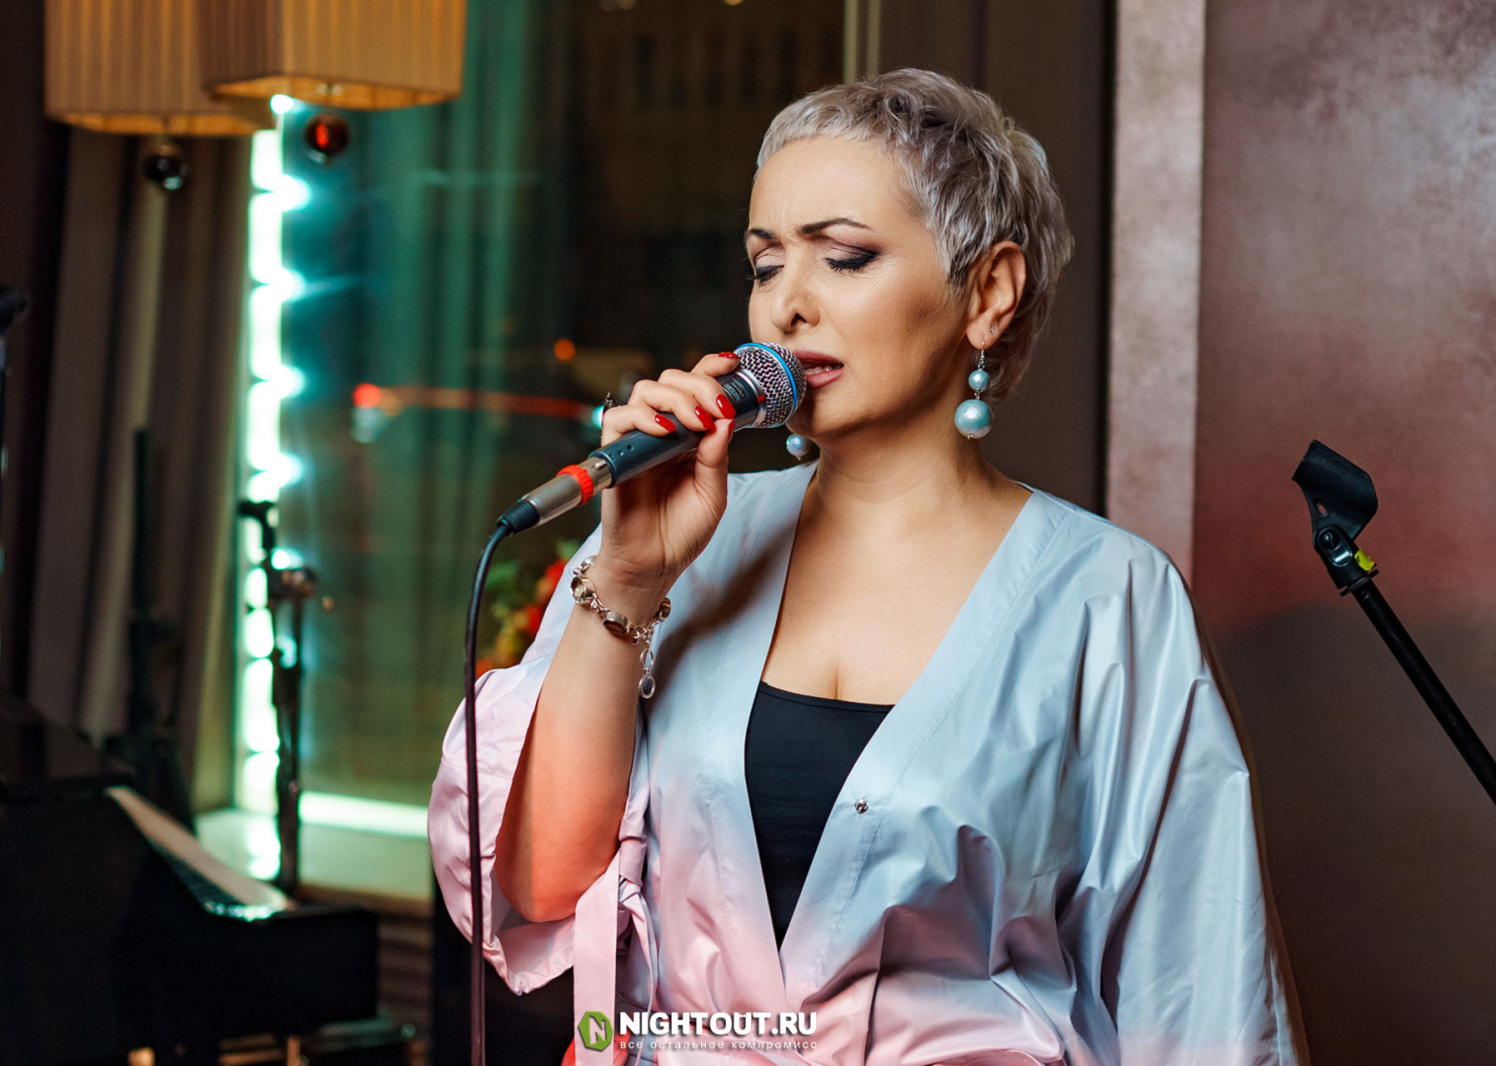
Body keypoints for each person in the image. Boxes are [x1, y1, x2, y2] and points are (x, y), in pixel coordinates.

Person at [430, 69, 1307, 1065]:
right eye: (765, 265)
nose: (787, 306)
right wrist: (628, 579)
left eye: (844, 257)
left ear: (988, 292)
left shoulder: (1107, 597)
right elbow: (542, 883)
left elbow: (1196, 989)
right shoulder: (671, 543)